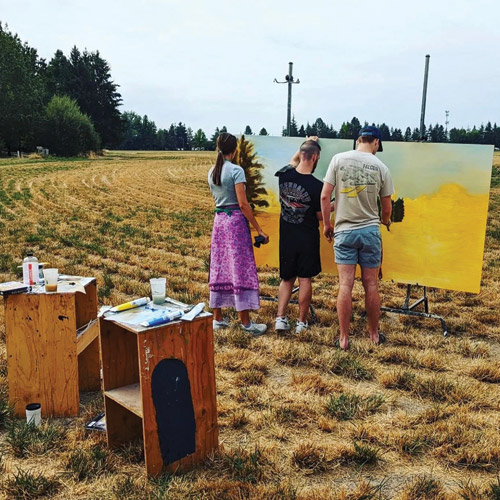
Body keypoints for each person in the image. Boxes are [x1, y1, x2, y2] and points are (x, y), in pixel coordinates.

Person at [320, 126, 394, 350]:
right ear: (376, 143)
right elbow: (387, 208)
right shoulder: (382, 167)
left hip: (343, 232)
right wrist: (386, 221)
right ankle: (373, 334)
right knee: (371, 284)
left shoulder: (338, 159)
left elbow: (325, 196)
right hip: (370, 232)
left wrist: (327, 224)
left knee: (345, 285)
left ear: (358, 139)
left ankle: (343, 338)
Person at [207, 132, 269, 336]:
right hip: (234, 223)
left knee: (220, 265)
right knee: (239, 267)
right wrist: (258, 228)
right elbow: (243, 204)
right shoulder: (236, 171)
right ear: (234, 151)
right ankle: (246, 323)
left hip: (219, 221)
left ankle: (218, 318)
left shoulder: (212, 171)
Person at [274, 137, 323, 334]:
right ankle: (301, 323)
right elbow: (320, 216)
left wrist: (305, 144)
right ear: (316, 157)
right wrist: (334, 205)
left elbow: (293, 162)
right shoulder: (317, 186)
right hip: (307, 238)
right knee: (305, 279)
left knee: (286, 279)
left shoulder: (284, 175)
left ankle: (280, 318)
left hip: (286, 236)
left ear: (301, 154)